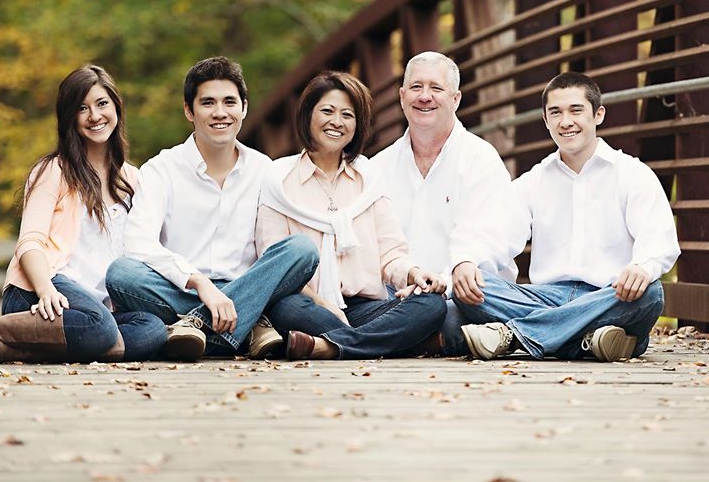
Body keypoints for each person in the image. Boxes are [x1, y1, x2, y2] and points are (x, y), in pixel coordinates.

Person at [0, 65, 168, 364]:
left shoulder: (133, 179)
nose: (95, 116)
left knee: (152, 329)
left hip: (92, 312)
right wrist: (46, 290)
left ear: (117, 107)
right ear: (69, 117)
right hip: (40, 294)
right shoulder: (54, 170)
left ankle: (11, 348)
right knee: (101, 328)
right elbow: (29, 243)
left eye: (102, 103)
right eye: (82, 108)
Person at [455, 72, 680, 361]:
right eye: (555, 113)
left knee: (651, 293)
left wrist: (641, 266)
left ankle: (515, 335)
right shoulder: (533, 181)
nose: (566, 122)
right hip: (546, 297)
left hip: (609, 295)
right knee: (472, 287)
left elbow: (659, 241)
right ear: (546, 120)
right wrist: (466, 260)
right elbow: (495, 234)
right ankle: (586, 341)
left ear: (598, 115)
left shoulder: (632, 174)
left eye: (576, 110)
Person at [105, 57, 319, 361]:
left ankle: (195, 326)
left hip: (247, 284)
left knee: (302, 249)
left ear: (244, 107)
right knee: (121, 274)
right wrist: (200, 283)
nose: (220, 113)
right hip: (183, 287)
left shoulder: (264, 170)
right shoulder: (161, 169)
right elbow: (138, 244)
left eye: (229, 102)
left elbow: (275, 250)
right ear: (189, 111)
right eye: (208, 103)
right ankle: (250, 327)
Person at [255, 71, 447, 360]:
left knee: (432, 304)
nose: (337, 122)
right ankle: (395, 342)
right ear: (308, 115)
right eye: (327, 111)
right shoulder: (279, 179)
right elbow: (275, 264)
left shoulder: (368, 178)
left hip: (364, 307)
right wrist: (325, 305)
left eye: (347, 115)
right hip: (310, 305)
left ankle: (331, 346)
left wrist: (414, 273)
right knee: (285, 309)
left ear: (357, 125)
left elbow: (391, 253)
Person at [369, 51, 515, 355]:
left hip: (460, 298)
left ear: (456, 99)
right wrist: (408, 281)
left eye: (436, 88)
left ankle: (398, 338)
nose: (425, 97)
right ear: (401, 96)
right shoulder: (377, 168)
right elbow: (373, 247)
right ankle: (419, 338)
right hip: (397, 299)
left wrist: (438, 286)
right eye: (416, 87)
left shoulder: (480, 159)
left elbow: (486, 241)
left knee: (448, 316)